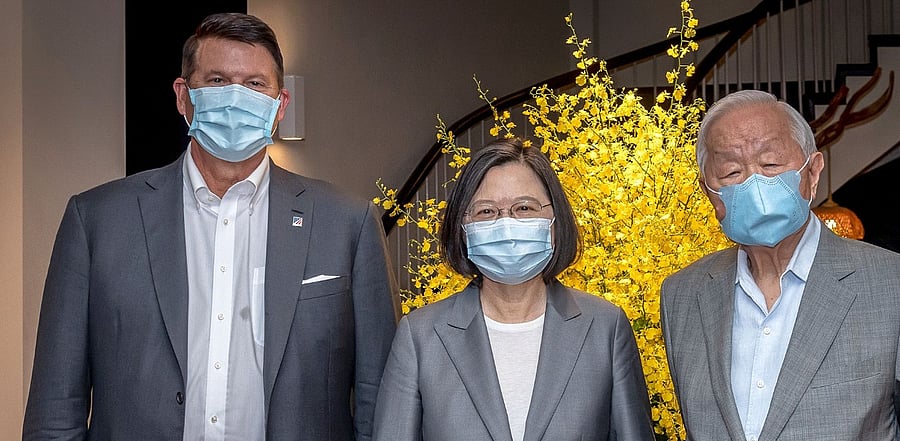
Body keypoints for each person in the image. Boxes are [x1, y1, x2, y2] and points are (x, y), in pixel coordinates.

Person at [23, 12, 400, 441]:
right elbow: (56, 407)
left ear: (280, 104)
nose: (237, 97)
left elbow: (381, 401)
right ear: (184, 97)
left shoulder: (347, 223)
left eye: (256, 84)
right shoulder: (96, 220)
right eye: (218, 81)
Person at [372, 137, 655, 441]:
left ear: (555, 219)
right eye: (486, 212)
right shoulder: (421, 337)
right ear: (462, 228)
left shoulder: (605, 328)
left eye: (524, 207)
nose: (506, 226)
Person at [660, 89, 900, 440]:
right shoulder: (682, 294)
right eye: (731, 171)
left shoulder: (889, 282)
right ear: (708, 190)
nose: (754, 182)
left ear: (813, 172)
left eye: (770, 164)